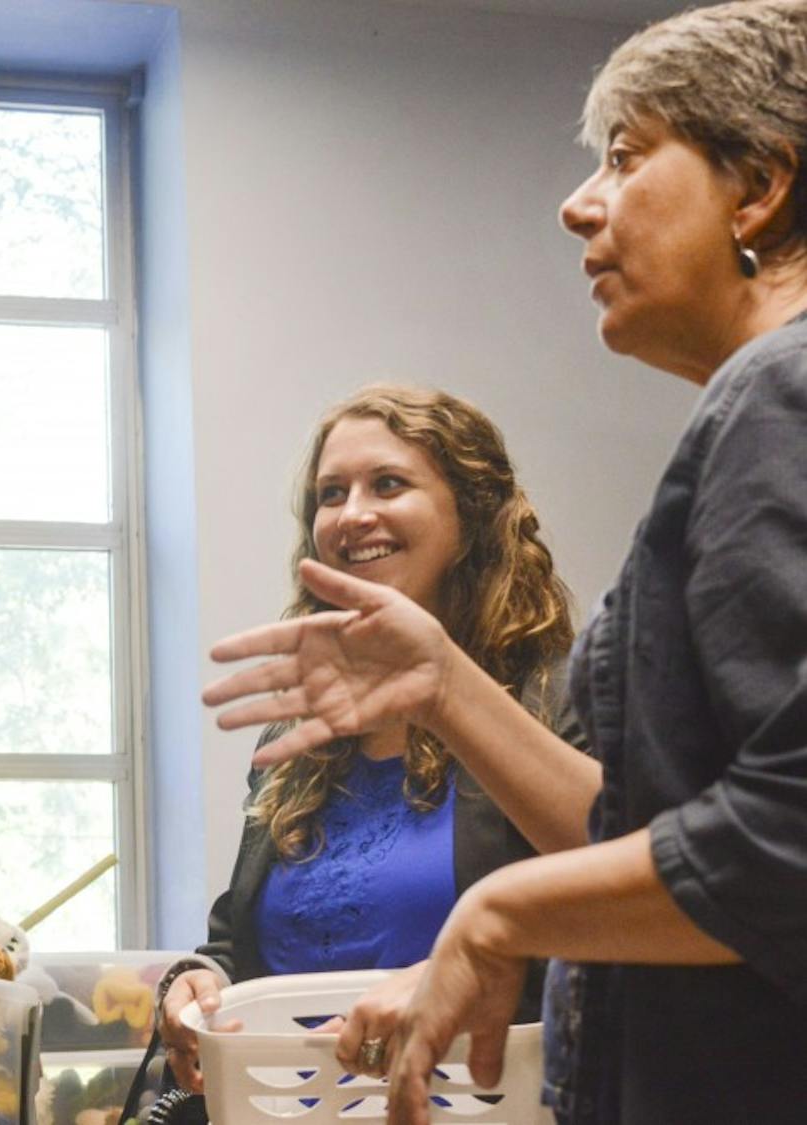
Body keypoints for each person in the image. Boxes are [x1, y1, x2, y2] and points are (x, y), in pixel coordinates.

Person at [203, 3, 807, 1122]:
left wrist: (500, 913)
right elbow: (648, 846)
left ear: (759, 187)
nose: (580, 204)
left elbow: (786, 843)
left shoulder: (777, 396)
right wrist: (440, 684)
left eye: (626, 159)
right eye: (330, 494)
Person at [158, 386, 586, 1092]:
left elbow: (612, 901)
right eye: (331, 493)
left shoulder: (550, 699)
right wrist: (199, 981)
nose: (353, 514)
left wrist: (454, 972)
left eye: (388, 484)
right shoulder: (303, 729)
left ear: (471, 514)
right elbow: (239, 941)